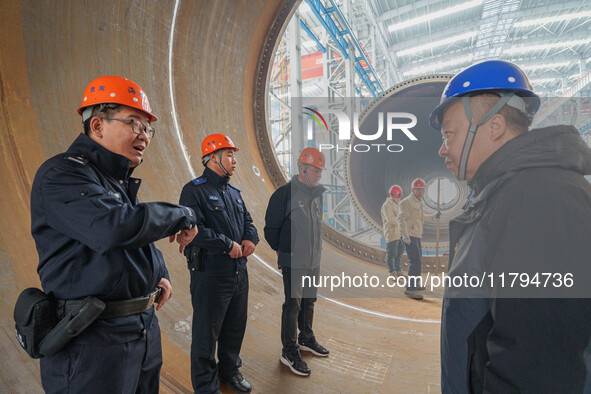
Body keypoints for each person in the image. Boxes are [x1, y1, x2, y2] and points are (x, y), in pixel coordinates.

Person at [429, 60, 591, 393]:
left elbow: (539, 368)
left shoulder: (541, 199)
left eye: (449, 133)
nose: (442, 148)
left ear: (495, 126)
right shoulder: (504, 196)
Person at [30, 75, 198, 393]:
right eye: (134, 123)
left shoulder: (112, 181)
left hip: (139, 331)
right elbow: (115, 228)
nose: (145, 135)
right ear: (97, 126)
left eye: (148, 128)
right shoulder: (62, 174)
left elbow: (132, 235)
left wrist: (156, 272)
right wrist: (183, 214)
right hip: (91, 342)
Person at [179, 134, 259, 394]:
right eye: (230, 155)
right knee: (206, 333)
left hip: (238, 273)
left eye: (234, 155)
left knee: (235, 327)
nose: (235, 160)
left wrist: (250, 238)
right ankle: (206, 386)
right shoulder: (194, 190)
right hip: (210, 274)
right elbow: (194, 230)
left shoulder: (233, 192)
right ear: (213, 157)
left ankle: (229, 371)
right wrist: (227, 244)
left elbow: (248, 220)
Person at [264, 147, 330, 377]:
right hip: (294, 261)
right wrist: (285, 251)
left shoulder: (315, 196)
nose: (319, 174)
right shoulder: (285, 194)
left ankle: (306, 338)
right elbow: (271, 230)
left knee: (309, 300)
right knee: (293, 305)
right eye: (316, 170)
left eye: (320, 170)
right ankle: (289, 351)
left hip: (313, 260)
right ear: (303, 169)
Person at [398, 178, 440, 300]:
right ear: (413, 189)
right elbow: (401, 219)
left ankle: (414, 284)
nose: (421, 192)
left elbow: (420, 219)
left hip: (416, 235)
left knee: (418, 261)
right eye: (419, 190)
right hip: (409, 237)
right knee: (415, 261)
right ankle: (410, 290)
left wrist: (433, 217)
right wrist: (405, 235)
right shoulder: (407, 202)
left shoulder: (417, 202)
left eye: (422, 190)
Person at [381, 184, 406, 278]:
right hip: (392, 233)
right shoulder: (387, 206)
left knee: (399, 253)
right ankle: (392, 272)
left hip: (400, 234)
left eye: (400, 197)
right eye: (397, 197)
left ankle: (398, 271)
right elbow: (391, 220)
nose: (399, 199)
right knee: (392, 254)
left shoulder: (397, 204)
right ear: (391, 196)